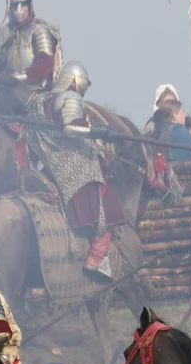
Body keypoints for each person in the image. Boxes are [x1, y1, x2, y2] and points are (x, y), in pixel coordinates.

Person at [23, 61, 130, 278]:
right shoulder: (69, 97)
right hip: (72, 165)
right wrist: (99, 131)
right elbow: (71, 127)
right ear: (74, 81)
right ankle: (97, 257)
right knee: (107, 198)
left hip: (45, 164)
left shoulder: (37, 101)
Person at [0, 0, 62, 97]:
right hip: (9, 92)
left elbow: (46, 65)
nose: (19, 10)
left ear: (30, 6)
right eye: (15, 6)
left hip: (37, 92)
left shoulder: (39, 30)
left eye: (23, 5)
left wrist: (17, 77)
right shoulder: (6, 33)